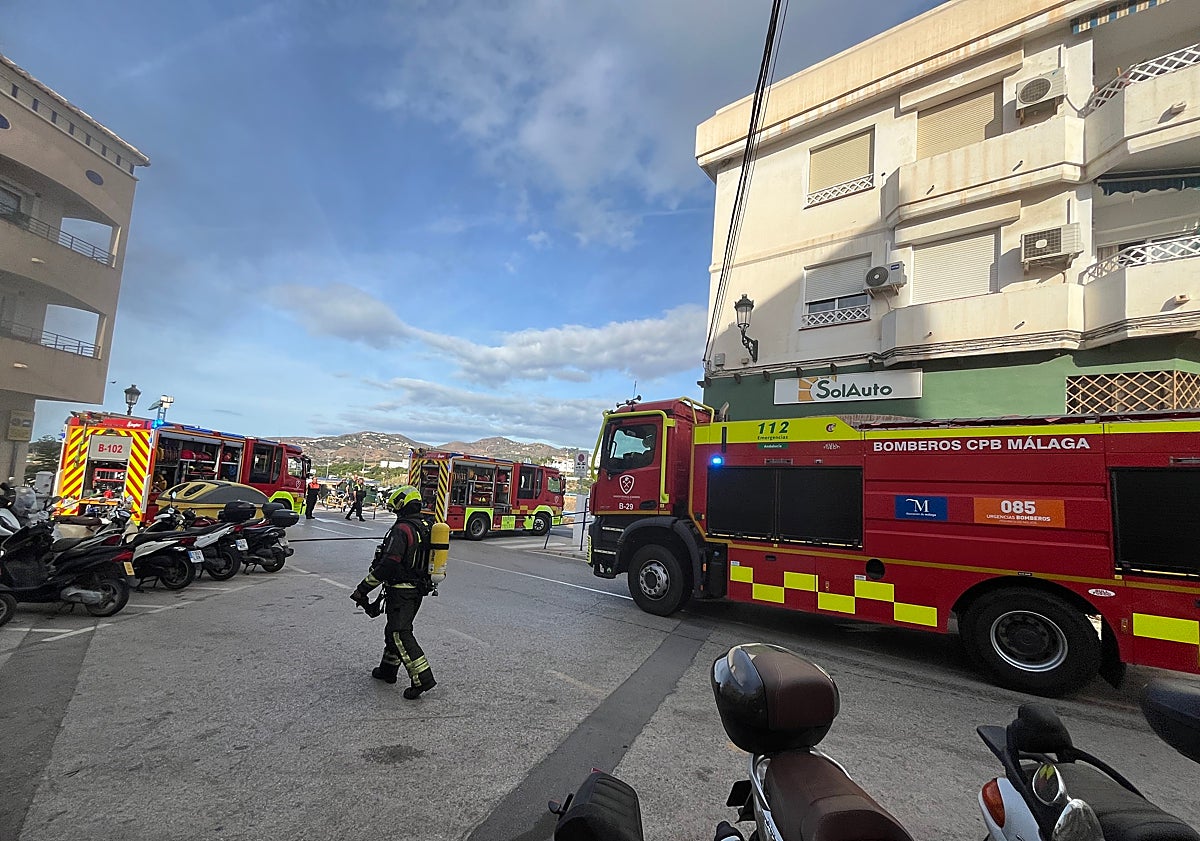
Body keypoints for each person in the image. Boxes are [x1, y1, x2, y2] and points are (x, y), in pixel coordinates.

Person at [349, 485, 437, 699]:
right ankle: (387, 670)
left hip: (401, 591)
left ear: (401, 504)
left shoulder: (402, 530)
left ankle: (422, 679)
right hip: (417, 589)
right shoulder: (425, 526)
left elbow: (389, 564)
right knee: (393, 630)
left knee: (400, 632)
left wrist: (363, 588)